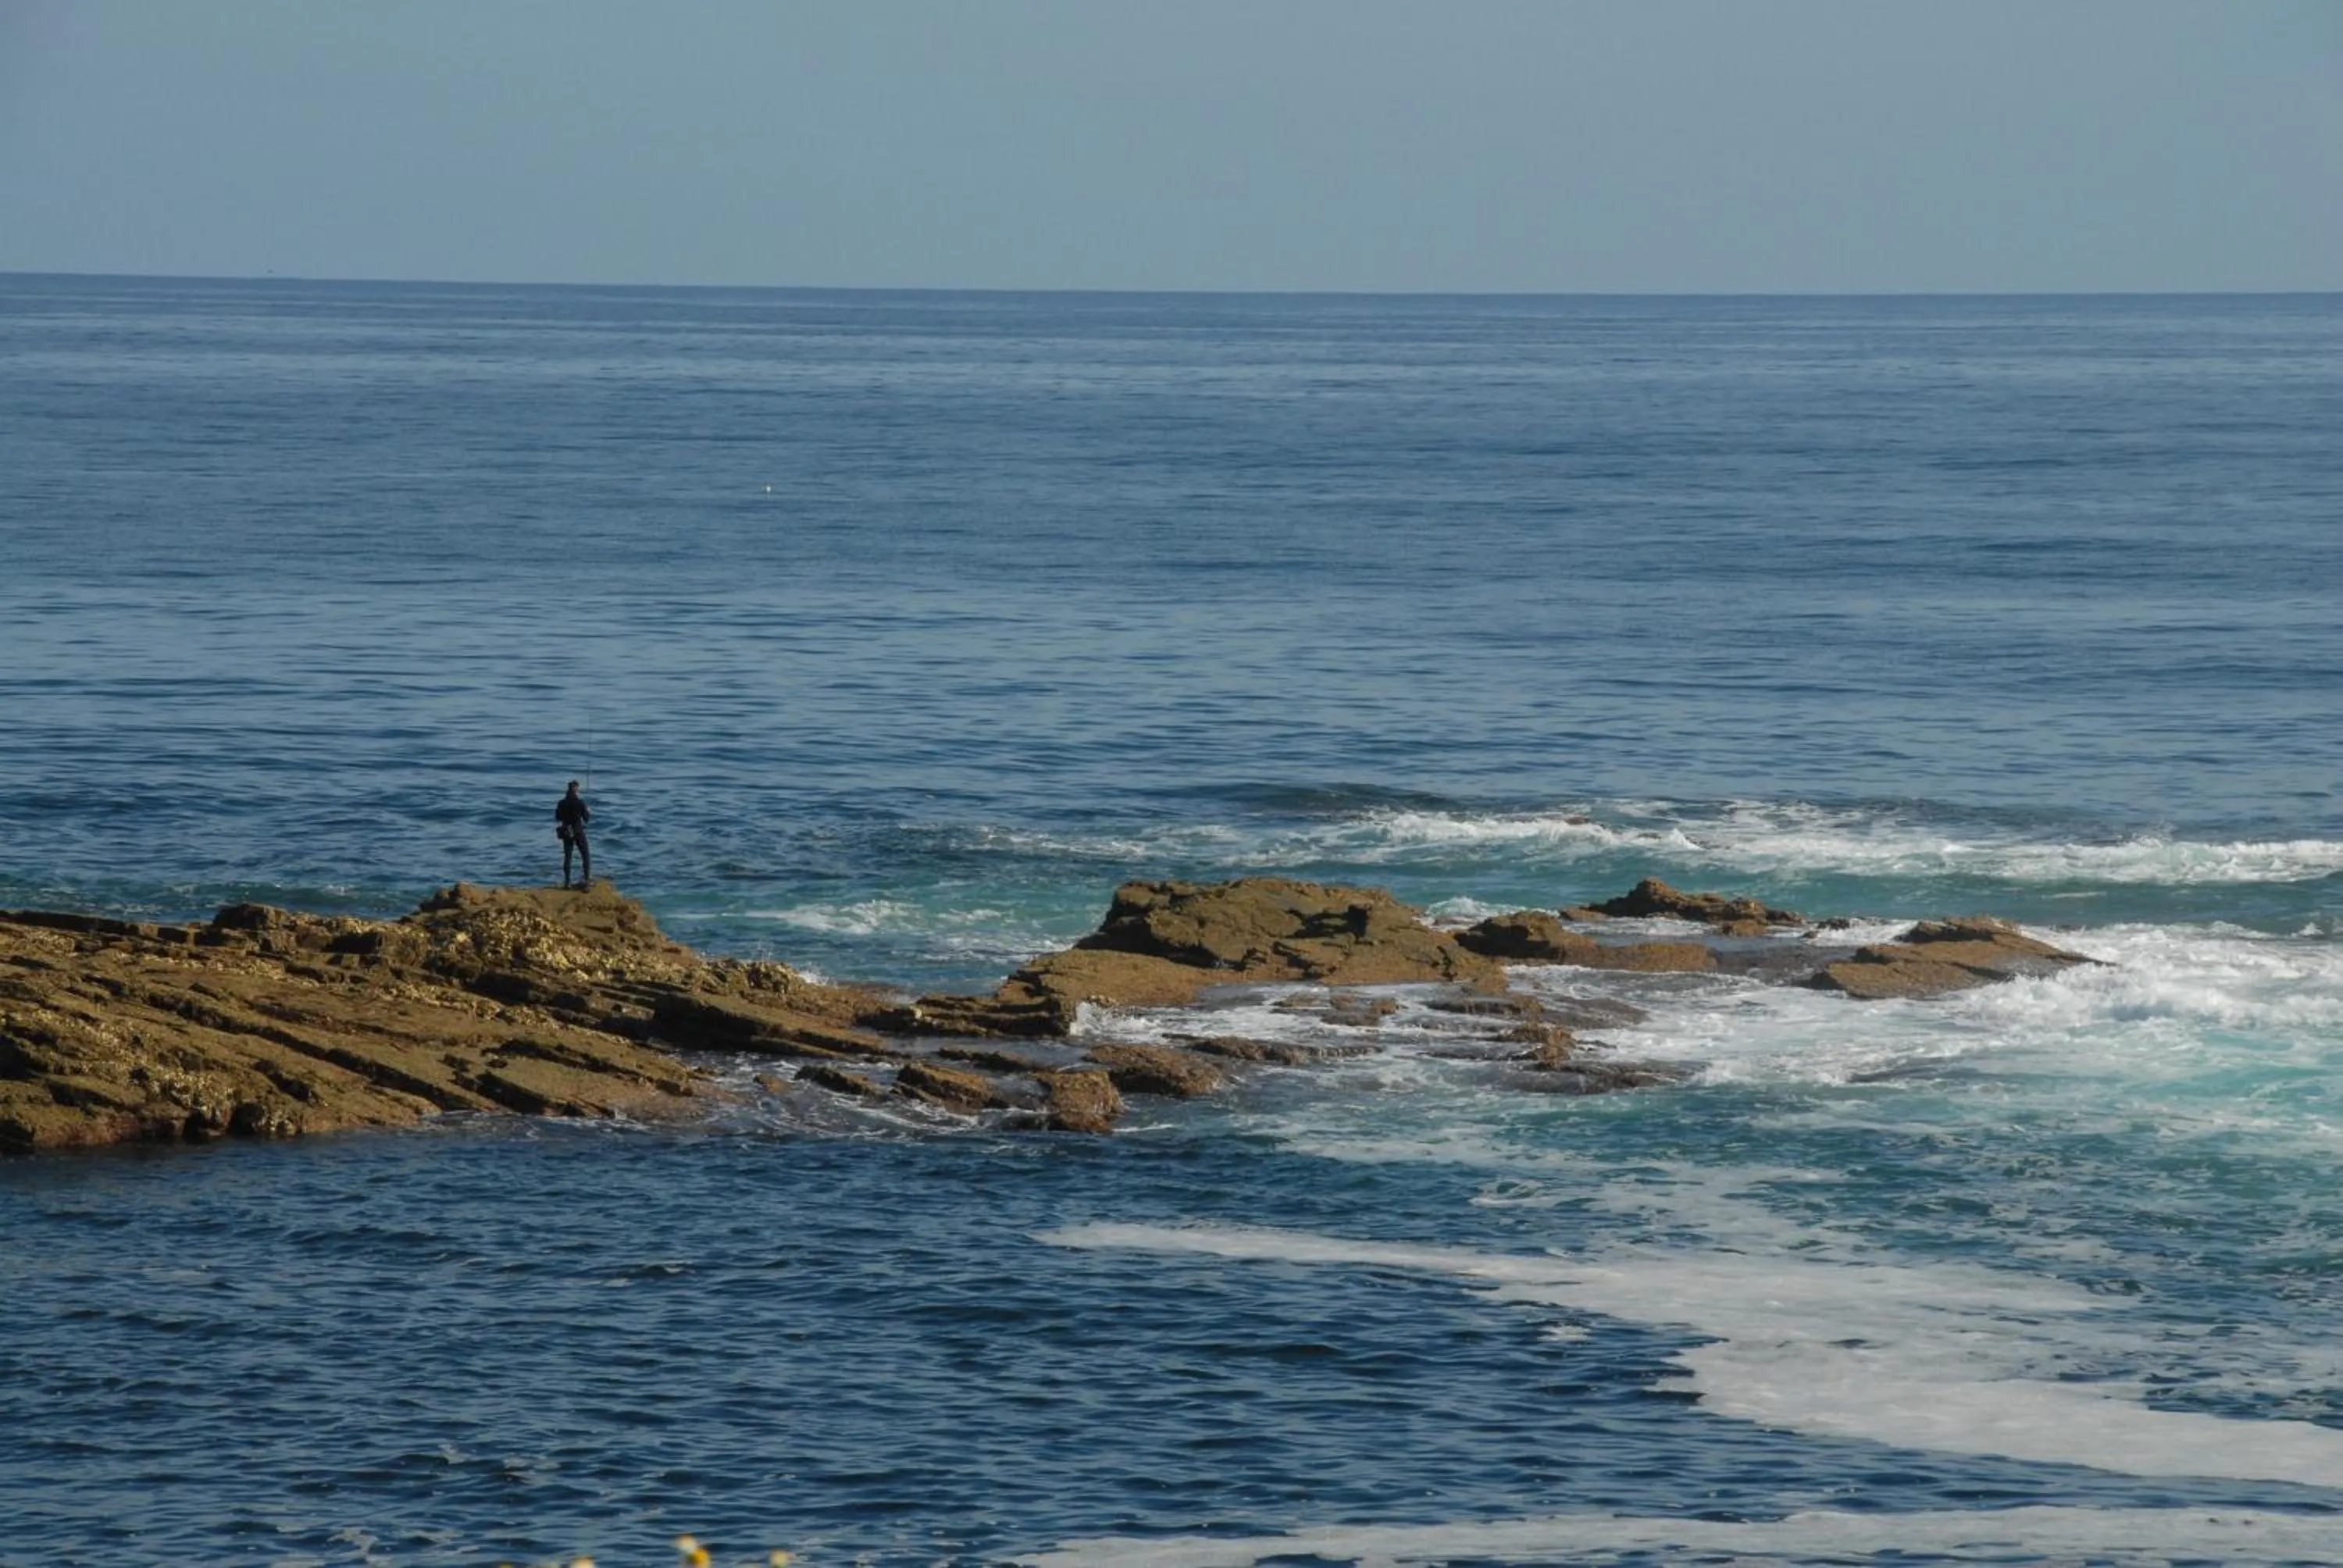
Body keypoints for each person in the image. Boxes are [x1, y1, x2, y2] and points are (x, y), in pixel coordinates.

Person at [555, 780, 592, 887]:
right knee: (585, 855)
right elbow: (586, 819)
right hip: (578, 831)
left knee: (568, 857)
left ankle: (567, 882)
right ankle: (587, 880)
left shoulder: (561, 803)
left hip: (567, 832)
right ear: (576, 790)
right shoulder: (580, 803)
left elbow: (558, 818)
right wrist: (588, 811)